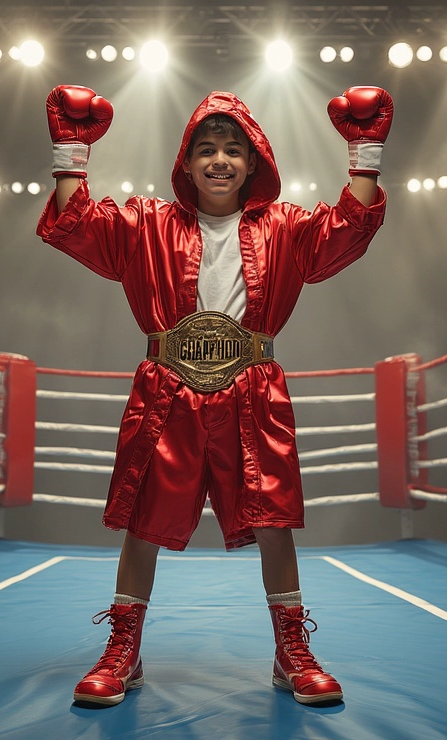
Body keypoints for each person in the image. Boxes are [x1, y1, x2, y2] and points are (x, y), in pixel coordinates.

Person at [37, 84, 392, 707]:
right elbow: (77, 225)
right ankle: (124, 650)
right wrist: (71, 150)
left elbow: (349, 227)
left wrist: (366, 150)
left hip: (252, 391)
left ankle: (291, 652)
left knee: (274, 522)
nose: (220, 160)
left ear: (254, 161)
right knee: (143, 525)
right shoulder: (148, 224)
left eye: (233, 148)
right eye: (206, 148)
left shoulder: (283, 227)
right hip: (167, 388)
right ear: (186, 161)